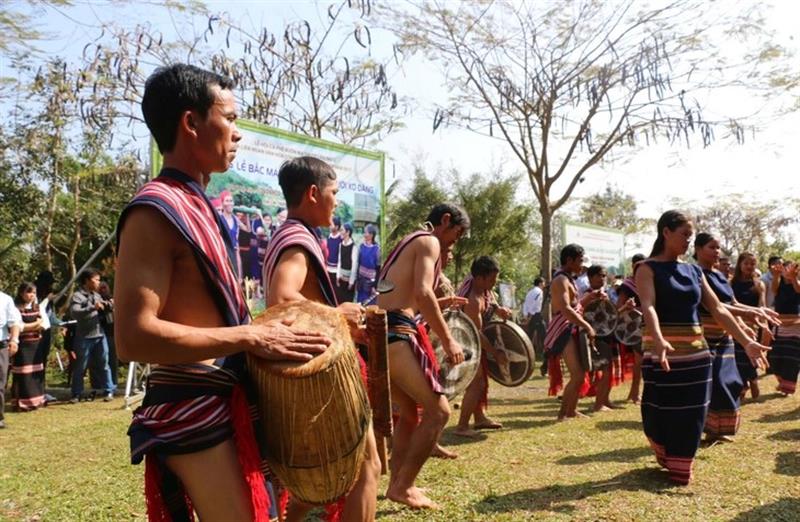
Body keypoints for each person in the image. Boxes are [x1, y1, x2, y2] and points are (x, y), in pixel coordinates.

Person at [114, 64, 331, 521]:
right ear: (191, 123)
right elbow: (133, 337)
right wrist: (249, 338)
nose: (237, 133)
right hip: (192, 405)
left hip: (221, 400)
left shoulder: (199, 205)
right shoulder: (155, 210)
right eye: (229, 118)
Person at [261, 156, 380, 522]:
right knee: (365, 470)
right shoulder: (297, 240)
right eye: (334, 192)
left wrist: (345, 326)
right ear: (313, 193)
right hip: (320, 380)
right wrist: (334, 315)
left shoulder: (289, 235)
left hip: (310, 375)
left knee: (321, 476)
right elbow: (282, 298)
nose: (337, 201)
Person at [637, 211, 768, 485]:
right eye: (684, 234)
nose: (688, 240)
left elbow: (718, 308)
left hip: (697, 356)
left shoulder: (693, 271)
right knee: (657, 410)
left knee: (693, 412)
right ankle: (665, 452)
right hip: (662, 355)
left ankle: (681, 465)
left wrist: (747, 341)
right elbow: (647, 305)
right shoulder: (647, 268)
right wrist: (658, 339)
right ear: (666, 232)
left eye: (690, 235)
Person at [377, 202, 469, 509]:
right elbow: (422, 293)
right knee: (439, 412)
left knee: (409, 411)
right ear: (445, 220)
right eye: (456, 234)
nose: (454, 242)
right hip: (398, 332)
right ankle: (404, 486)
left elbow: (403, 294)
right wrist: (449, 340)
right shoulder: (429, 240)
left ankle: (396, 485)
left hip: (381, 332)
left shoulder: (408, 240)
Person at [693, 234, 776, 441]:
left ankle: (718, 430)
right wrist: (749, 314)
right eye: (712, 247)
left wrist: (754, 315)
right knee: (714, 384)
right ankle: (709, 430)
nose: (717, 252)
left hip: (724, 338)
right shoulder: (694, 274)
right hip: (704, 338)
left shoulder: (720, 277)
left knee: (730, 382)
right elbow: (715, 307)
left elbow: (733, 304)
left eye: (718, 248)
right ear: (698, 249)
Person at [453, 256, 512, 438]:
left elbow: (492, 301)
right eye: (491, 279)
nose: (494, 283)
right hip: (465, 341)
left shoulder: (484, 288)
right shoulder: (472, 299)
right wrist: (495, 352)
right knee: (476, 382)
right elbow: (475, 333)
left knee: (482, 381)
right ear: (479, 278)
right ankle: (462, 426)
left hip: (474, 339)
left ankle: (479, 417)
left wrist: (499, 309)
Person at [543, 244, 597, 419]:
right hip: (563, 330)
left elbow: (576, 306)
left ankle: (571, 411)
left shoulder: (569, 279)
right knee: (577, 374)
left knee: (580, 374)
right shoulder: (560, 281)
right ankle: (562, 414)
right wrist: (587, 326)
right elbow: (565, 309)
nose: (582, 265)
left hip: (571, 328)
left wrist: (589, 298)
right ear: (569, 260)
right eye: (580, 260)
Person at [69, 268, 115, 403]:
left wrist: (109, 305)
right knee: (80, 366)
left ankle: (109, 391)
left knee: (104, 364)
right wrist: (92, 307)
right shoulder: (78, 296)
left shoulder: (97, 295)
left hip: (100, 335)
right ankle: (76, 394)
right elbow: (74, 312)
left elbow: (103, 308)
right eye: (96, 280)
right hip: (84, 336)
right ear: (87, 281)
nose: (98, 283)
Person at [731, 252, 768, 399]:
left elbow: (762, 306)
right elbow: (730, 305)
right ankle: (743, 385)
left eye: (752, 264)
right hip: (735, 326)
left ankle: (752, 379)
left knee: (750, 356)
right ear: (740, 264)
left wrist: (764, 328)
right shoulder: (730, 283)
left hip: (754, 326)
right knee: (738, 358)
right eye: (746, 263)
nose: (749, 266)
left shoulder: (759, 284)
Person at [585, 265, 619, 412]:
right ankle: (598, 404)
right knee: (603, 369)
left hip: (607, 335)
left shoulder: (606, 294)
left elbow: (611, 316)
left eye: (604, 275)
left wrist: (624, 309)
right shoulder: (586, 294)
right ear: (590, 277)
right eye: (599, 275)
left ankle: (605, 400)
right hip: (594, 336)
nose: (602, 278)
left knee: (609, 369)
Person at [11, 282, 46, 411]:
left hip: (36, 345)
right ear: (21, 293)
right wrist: (35, 324)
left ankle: (36, 400)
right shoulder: (16, 309)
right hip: (23, 346)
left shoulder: (37, 307)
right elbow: (19, 327)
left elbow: (43, 324)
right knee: (23, 374)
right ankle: (22, 402)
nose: (32, 295)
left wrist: (36, 325)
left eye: (34, 293)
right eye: (29, 292)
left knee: (35, 373)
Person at [616, 254, 646, 404]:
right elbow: (618, 308)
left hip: (647, 325)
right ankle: (634, 394)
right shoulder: (627, 286)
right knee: (639, 361)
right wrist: (628, 307)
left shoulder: (647, 282)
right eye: (637, 266)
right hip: (632, 327)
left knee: (644, 362)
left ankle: (637, 393)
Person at [767, 259, 800, 395]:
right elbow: (773, 289)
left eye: (791, 269)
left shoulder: (797, 284)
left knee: (791, 358)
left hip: (795, 326)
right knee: (773, 357)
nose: (788, 271)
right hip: (779, 325)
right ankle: (783, 382)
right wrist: (775, 276)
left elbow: (798, 289)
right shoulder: (778, 284)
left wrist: (793, 279)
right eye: (786, 269)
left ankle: (787, 386)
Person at [1, 289, 22, 428]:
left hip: (0, 346)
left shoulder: (5, 299)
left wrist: (14, 340)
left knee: (0, 383)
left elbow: (14, 322)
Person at [98, 281, 118, 388]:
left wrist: (108, 304)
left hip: (111, 333)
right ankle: (100, 384)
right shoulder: (95, 300)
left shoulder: (112, 299)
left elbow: (113, 306)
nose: (103, 290)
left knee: (112, 360)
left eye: (105, 288)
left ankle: (113, 383)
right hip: (99, 333)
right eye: (101, 288)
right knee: (100, 360)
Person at [356, 224, 381, 304]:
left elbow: (378, 269)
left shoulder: (377, 250)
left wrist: (375, 286)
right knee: (359, 303)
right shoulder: (361, 246)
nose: (364, 234)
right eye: (364, 232)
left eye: (366, 232)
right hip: (361, 281)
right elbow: (358, 264)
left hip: (370, 284)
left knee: (369, 305)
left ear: (371, 235)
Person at [335, 222, 359, 304]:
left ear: (348, 232)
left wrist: (351, 282)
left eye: (342, 230)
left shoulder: (354, 247)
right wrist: (338, 276)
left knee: (348, 302)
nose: (340, 232)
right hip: (341, 278)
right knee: (340, 301)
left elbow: (354, 265)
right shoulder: (340, 245)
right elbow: (339, 261)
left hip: (349, 280)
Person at [522, 277, 546, 355]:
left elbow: (525, 304)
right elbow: (534, 304)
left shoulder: (530, 292)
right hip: (535, 315)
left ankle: (527, 351)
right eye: (543, 283)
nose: (544, 285)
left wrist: (526, 315)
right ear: (540, 283)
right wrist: (530, 316)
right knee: (543, 333)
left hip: (530, 314)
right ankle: (545, 351)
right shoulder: (539, 292)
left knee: (530, 334)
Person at [326, 216, 343, 282]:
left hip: (336, 270)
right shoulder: (329, 237)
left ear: (337, 227)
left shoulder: (340, 239)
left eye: (331, 225)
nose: (329, 226)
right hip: (328, 268)